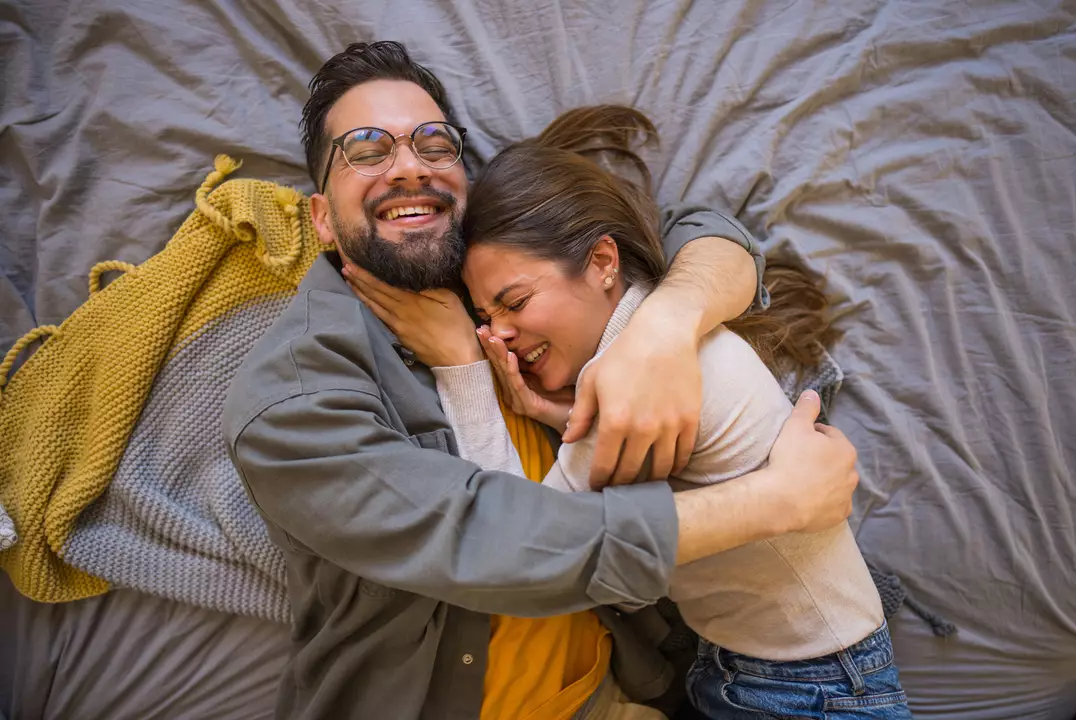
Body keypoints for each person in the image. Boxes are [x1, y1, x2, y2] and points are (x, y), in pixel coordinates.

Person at [223, 41, 862, 719]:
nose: (409, 166)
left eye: (433, 144)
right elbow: (493, 546)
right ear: (322, 218)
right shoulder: (294, 398)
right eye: (366, 150)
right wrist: (777, 502)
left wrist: (664, 329)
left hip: (625, 694)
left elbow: (700, 231)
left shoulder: (489, 264)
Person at [356, 105, 910, 718]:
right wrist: (562, 416)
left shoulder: (630, 381)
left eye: (515, 302)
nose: (499, 335)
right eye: (486, 318)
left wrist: (462, 370)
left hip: (811, 689)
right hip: (771, 664)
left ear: (602, 263)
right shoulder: (652, 331)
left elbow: (530, 553)